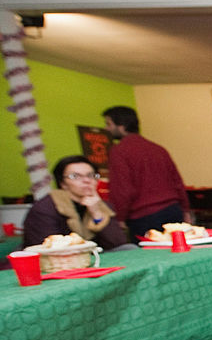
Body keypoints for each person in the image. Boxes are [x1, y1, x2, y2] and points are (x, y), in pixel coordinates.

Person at [102, 106, 190, 240]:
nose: (106, 129)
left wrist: (119, 218)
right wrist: (185, 210)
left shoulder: (119, 151)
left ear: (121, 125)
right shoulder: (158, 149)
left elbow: (122, 189)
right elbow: (177, 182)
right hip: (174, 211)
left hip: (145, 217)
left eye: (109, 124)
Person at [22, 155, 129, 250]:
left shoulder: (102, 205)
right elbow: (47, 248)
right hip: (57, 261)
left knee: (129, 248)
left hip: (95, 256)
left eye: (91, 175)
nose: (87, 180)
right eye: (75, 176)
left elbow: (118, 243)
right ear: (62, 183)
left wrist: (96, 213)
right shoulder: (46, 208)